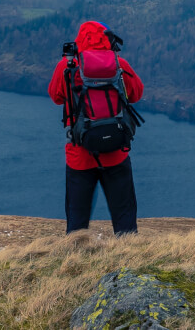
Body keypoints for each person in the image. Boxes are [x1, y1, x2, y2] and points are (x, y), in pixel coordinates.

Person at [48, 21, 144, 235]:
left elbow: (55, 96)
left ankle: (76, 264)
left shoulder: (67, 66)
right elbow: (137, 93)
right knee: (125, 217)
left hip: (80, 154)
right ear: (107, 38)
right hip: (117, 153)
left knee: (77, 220)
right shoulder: (119, 64)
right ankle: (130, 265)